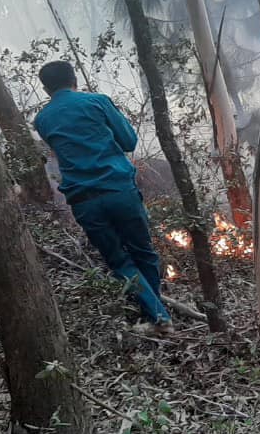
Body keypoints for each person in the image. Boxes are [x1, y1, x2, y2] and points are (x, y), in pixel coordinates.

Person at [33, 60, 173, 332]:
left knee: (119, 260)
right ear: (75, 80)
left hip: (83, 200)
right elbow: (129, 142)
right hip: (119, 190)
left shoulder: (42, 119)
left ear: (46, 89)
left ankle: (155, 315)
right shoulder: (97, 102)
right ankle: (157, 316)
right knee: (143, 251)